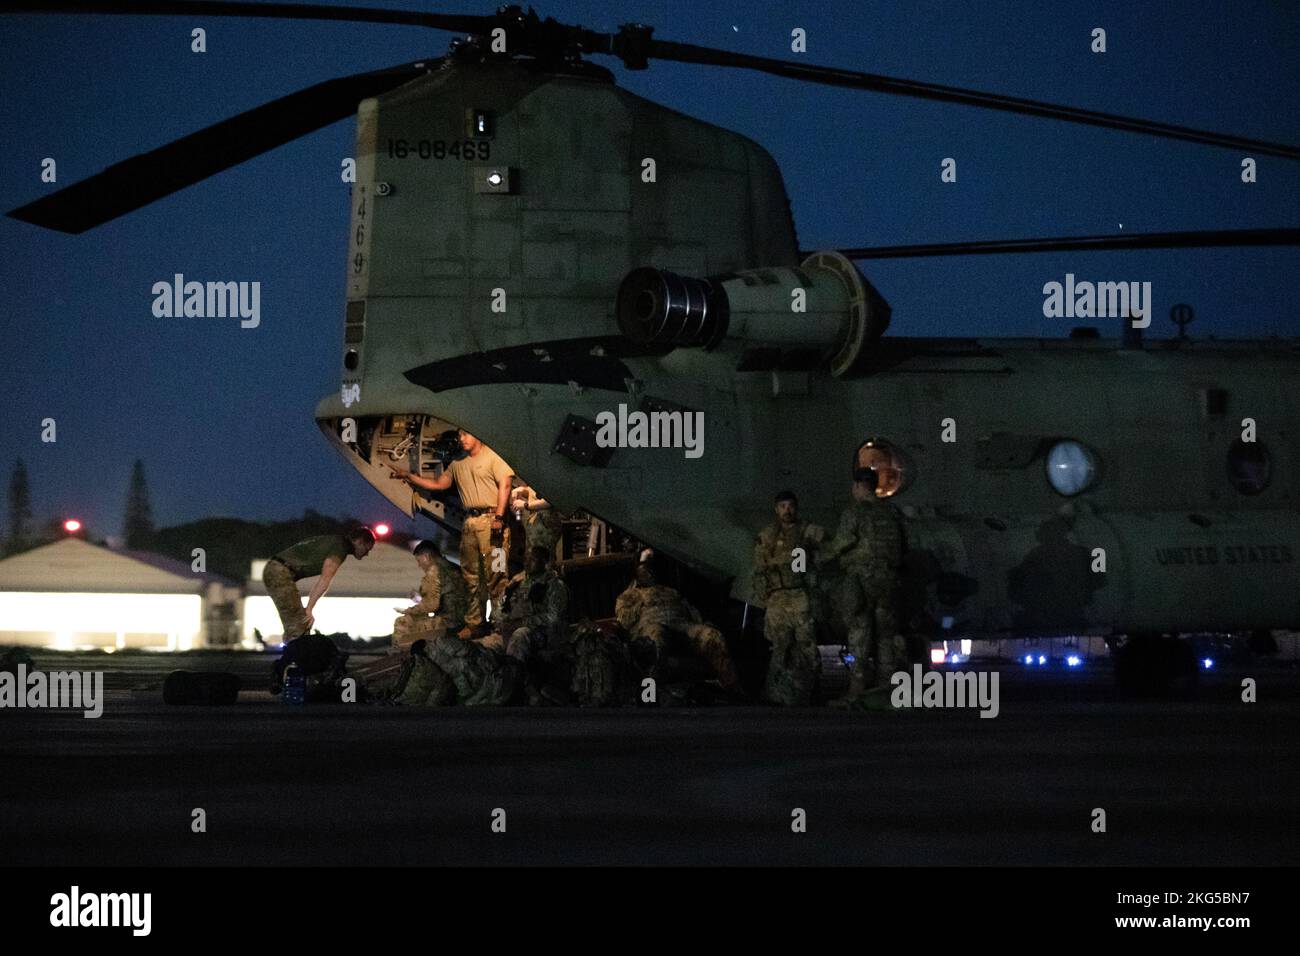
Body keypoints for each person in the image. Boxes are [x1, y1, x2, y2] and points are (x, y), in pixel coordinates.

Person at [389, 430, 512, 631]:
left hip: (491, 521)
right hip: (471, 522)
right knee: (471, 575)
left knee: (497, 574)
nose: (462, 439)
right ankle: (475, 624)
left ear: (477, 435)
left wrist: (499, 517)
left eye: (466, 434)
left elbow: (505, 485)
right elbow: (439, 484)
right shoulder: (457, 463)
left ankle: (501, 621)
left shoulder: (493, 456)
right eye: (460, 436)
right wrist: (409, 476)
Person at [821, 468, 905, 706]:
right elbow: (904, 545)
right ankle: (887, 687)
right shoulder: (891, 511)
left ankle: (856, 689)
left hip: (863, 579)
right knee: (886, 634)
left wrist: (819, 556)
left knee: (860, 630)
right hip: (888, 579)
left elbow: (842, 542)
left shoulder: (854, 511)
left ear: (858, 486)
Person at [614, 549, 742, 692]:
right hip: (650, 626)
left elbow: (692, 612)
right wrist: (642, 601)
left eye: (651, 566)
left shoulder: (672, 592)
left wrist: (704, 623)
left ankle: (732, 689)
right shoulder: (628, 595)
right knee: (656, 637)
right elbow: (624, 621)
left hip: (681, 626)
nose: (649, 571)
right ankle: (652, 694)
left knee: (711, 635)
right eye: (644, 566)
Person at [753, 490, 825, 706]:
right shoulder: (767, 536)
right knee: (779, 646)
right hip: (777, 597)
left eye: (791, 506)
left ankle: (811, 691)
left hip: (799, 594)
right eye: (783, 506)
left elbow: (826, 543)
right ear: (776, 509)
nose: (787, 510)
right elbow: (759, 569)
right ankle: (774, 693)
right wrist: (764, 596)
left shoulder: (806, 530)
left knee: (807, 644)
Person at [262, 528, 375, 642]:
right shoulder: (340, 547)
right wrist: (309, 609)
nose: (367, 554)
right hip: (280, 571)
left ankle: (292, 653)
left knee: (297, 623)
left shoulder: (334, 541)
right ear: (359, 541)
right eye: (367, 549)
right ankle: (295, 657)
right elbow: (325, 580)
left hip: (276, 569)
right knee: (300, 624)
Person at [391, 540, 470, 654]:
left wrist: (409, 611)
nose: (419, 565)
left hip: (450, 623)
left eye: (418, 560)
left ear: (426, 556)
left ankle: (400, 657)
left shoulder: (434, 570)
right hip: (466, 619)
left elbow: (430, 605)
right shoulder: (454, 567)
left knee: (403, 622)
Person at [512, 481, 563, 560]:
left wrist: (526, 505)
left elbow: (550, 500)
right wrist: (523, 490)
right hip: (537, 519)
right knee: (534, 555)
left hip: (544, 521)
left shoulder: (549, 474)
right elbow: (536, 495)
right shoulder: (538, 474)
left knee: (540, 558)